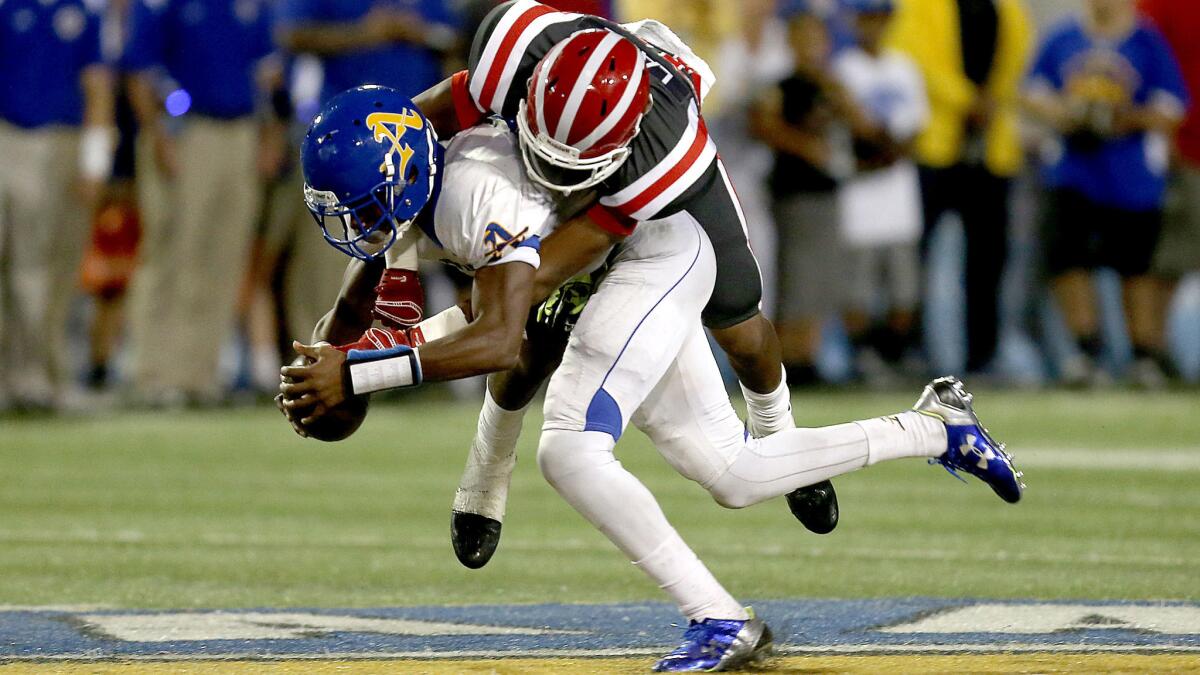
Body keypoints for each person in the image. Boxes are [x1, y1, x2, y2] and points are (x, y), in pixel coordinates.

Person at [278, 84, 1024, 672]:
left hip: (650, 255)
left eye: (357, 205)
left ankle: (721, 618)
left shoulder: (473, 196)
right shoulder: (416, 193)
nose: (352, 224)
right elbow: (350, 313)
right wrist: (325, 364)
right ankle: (937, 427)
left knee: (568, 450)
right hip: (626, 274)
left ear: (400, 175)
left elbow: (502, 341)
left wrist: (361, 375)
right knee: (731, 471)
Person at [1023, 0, 1187, 387]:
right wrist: (1068, 113)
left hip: (1131, 175)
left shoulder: (1146, 40)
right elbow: (1032, 94)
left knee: (1136, 266)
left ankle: (1143, 354)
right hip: (1074, 170)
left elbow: (1171, 108)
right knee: (1071, 261)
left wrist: (1121, 117)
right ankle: (1085, 350)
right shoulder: (1064, 36)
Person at [120, 0, 276, 406]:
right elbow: (140, 69)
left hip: (239, 130)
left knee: (223, 258)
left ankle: (199, 374)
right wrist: (156, 134)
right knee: (172, 252)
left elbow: (265, 70)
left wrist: (268, 132)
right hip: (185, 132)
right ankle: (152, 373)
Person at [888, 0, 1033, 374]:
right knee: (915, 258)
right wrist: (967, 99)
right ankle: (909, 350)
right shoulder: (922, 7)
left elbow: (1016, 62)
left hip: (990, 150)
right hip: (935, 148)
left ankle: (983, 355)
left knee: (989, 260)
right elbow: (913, 61)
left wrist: (991, 101)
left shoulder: (1007, 9)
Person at [0, 0, 114, 411]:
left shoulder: (83, 10)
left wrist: (95, 158)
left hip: (62, 141)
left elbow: (96, 82)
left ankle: (42, 375)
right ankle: (17, 377)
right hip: (10, 136)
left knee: (50, 266)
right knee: (16, 266)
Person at [750, 6, 853, 386]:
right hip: (794, 192)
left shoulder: (830, 85)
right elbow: (762, 124)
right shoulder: (781, 84)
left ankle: (808, 353)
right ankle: (787, 358)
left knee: (821, 279)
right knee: (795, 277)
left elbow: (858, 120)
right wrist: (805, 146)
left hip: (826, 190)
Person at [834, 0, 928, 383]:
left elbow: (917, 129)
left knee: (904, 290)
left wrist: (887, 148)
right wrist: (877, 148)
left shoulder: (904, 67)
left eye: (879, 17)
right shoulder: (842, 69)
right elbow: (848, 131)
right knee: (858, 287)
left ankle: (895, 356)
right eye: (866, 17)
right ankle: (864, 358)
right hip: (858, 193)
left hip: (898, 191)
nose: (873, 25)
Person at [1138, 0, 1200, 385]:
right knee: (1166, 261)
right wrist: (1168, 137)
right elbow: (1147, 69)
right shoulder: (1164, 5)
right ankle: (1154, 354)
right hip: (1187, 150)